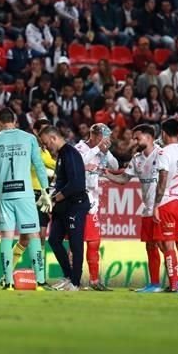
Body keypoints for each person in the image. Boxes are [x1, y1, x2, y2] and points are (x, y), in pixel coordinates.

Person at [0, 108, 52, 290]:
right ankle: (41, 281)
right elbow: (39, 166)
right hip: (26, 195)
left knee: (6, 237)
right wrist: (45, 190)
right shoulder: (29, 139)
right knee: (34, 235)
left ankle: (8, 281)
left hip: (5, 195)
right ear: (15, 121)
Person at [105, 124, 162, 292]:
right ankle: (154, 284)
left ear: (149, 137)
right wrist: (105, 173)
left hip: (161, 207)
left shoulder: (162, 154)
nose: (135, 141)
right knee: (150, 246)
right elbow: (123, 179)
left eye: (138, 137)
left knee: (165, 245)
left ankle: (177, 282)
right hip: (147, 209)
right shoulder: (137, 159)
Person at [38, 124, 88, 291]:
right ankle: (68, 276)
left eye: (46, 143)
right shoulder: (61, 155)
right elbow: (61, 181)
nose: (46, 147)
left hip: (75, 205)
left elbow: (76, 184)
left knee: (75, 243)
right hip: (63, 206)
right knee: (54, 240)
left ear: (54, 138)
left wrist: (54, 199)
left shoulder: (70, 154)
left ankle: (75, 282)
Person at [73, 123, 119, 291]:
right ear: (94, 135)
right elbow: (78, 163)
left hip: (92, 202)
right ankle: (72, 279)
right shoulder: (80, 148)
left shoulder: (102, 151)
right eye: (103, 137)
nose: (106, 140)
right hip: (77, 200)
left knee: (94, 242)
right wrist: (97, 149)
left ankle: (94, 280)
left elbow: (115, 166)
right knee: (75, 242)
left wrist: (105, 151)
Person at [152, 118, 178, 293]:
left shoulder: (163, 153)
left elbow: (162, 182)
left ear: (163, 133)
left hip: (167, 202)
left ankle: (174, 285)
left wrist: (155, 205)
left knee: (169, 245)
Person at [11, 119, 56, 277]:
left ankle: (39, 275)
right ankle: (8, 272)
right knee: (26, 238)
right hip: (29, 195)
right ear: (36, 132)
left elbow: (52, 165)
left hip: (42, 195)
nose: (45, 135)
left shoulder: (46, 151)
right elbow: (49, 164)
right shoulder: (30, 147)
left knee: (41, 236)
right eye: (42, 131)